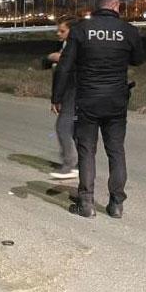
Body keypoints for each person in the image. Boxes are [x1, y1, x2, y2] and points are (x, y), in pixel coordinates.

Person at [52, 0, 144, 218]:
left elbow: (64, 66)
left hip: (88, 100)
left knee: (86, 151)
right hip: (116, 100)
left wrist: (57, 97)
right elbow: (138, 59)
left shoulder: (82, 29)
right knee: (116, 151)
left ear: (96, 6)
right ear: (116, 6)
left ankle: (86, 203)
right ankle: (116, 204)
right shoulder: (128, 30)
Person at [48, 15, 80, 179]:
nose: (58, 34)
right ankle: (80, 164)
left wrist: (56, 98)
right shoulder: (64, 46)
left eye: (62, 31)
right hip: (72, 91)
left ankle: (69, 165)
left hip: (73, 91)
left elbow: (63, 73)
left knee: (62, 127)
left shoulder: (73, 50)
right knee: (74, 128)